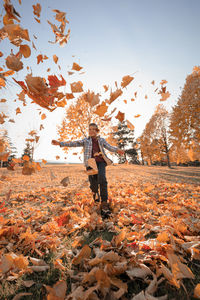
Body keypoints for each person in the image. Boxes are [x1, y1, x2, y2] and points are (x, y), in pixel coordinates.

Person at [51, 123, 125, 218]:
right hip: (90, 164)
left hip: (101, 163)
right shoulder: (86, 140)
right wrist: (60, 143)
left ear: (97, 131)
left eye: (94, 129)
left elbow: (109, 147)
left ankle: (104, 203)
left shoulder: (101, 140)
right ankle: (96, 200)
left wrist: (117, 150)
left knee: (102, 179)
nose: (91, 131)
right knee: (93, 184)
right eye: (90, 129)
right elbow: (74, 143)